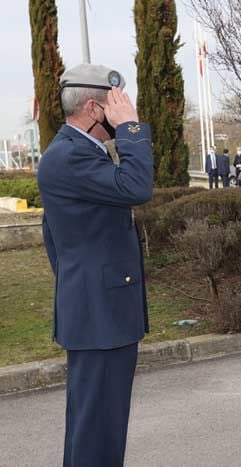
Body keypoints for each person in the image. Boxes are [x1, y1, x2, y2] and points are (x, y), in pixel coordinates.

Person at [37, 64, 153, 467]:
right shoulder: (71, 156)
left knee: (97, 427)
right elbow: (137, 188)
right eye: (116, 104)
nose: (124, 111)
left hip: (96, 309)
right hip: (99, 316)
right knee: (97, 430)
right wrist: (132, 129)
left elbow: (51, 236)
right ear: (93, 107)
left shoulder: (77, 152)